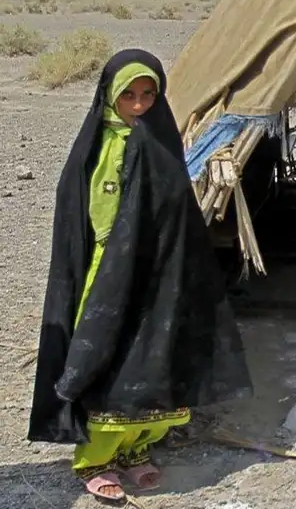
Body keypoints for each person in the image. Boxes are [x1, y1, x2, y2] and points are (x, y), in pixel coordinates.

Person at [28, 49, 253, 502]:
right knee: (108, 356)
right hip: (109, 273)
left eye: (148, 95)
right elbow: (86, 217)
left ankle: (136, 448)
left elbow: (177, 211)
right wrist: (114, 261)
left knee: (152, 355)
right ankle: (96, 458)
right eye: (128, 95)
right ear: (109, 96)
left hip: (157, 272)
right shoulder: (97, 147)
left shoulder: (160, 142)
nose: (138, 105)